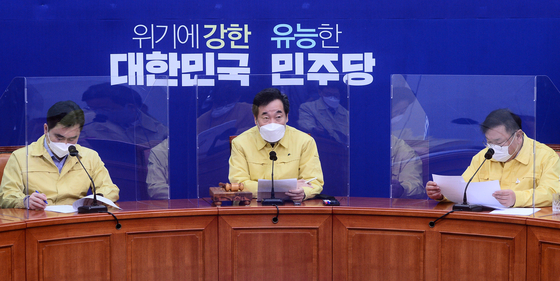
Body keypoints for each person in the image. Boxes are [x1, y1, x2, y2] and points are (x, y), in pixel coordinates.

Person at [426, 109, 560, 207]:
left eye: (499, 142)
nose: (493, 147)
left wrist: (517, 198)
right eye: (489, 142)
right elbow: (464, 188)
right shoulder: (483, 157)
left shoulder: (545, 156)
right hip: (488, 221)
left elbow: (554, 192)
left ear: (518, 136)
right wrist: (442, 194)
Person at [0, 101, 120, 210]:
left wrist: (97, 198)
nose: (65, 144)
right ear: (46, 129)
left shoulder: (89, 156)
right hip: (38, 220)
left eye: (72, 139)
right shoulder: (20, 157)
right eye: (59, 137)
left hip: (76, 221)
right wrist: (25, 201)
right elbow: (6, 196)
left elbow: (110, 189)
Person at [229, 88, 324, 201]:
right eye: (266, 118)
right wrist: (281, 188)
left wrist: (303, 193)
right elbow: (239, 184)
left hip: (292, 207)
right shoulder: (240, 143)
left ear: (287, 117)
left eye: (278, 117)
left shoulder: (305, 142)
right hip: (253, 207)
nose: (272, 123)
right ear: (255, 119)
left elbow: (314, 181)